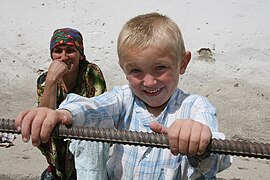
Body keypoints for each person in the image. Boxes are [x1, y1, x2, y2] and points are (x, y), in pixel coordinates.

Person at [16, 13, 232, 179]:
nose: (149, 82)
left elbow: (217, 160)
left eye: (160, 67)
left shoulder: (195, 107)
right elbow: (95, 108)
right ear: (123, 69)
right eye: (136, 70)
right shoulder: (124, 98)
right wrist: (62, 114)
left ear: (182, 63)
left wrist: (199, 139)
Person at [36, 28, 109, 179]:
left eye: (70, 50)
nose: (63, 57)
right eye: (58, 51)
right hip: (58, 147)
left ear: (80, 55)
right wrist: (52, 81)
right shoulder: (45, 80)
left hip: (84, 146)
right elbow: (44, 119)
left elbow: (96, 113)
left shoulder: (91, 73)